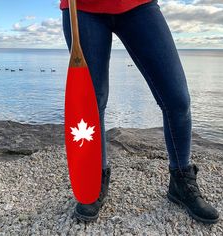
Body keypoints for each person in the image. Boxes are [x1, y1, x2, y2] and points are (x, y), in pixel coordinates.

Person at [60, 0, 219, 224]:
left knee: (177, 100)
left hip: (138, 6)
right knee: (93, 105)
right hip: (83, 9)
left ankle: (181, 180)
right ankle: (94, 180)